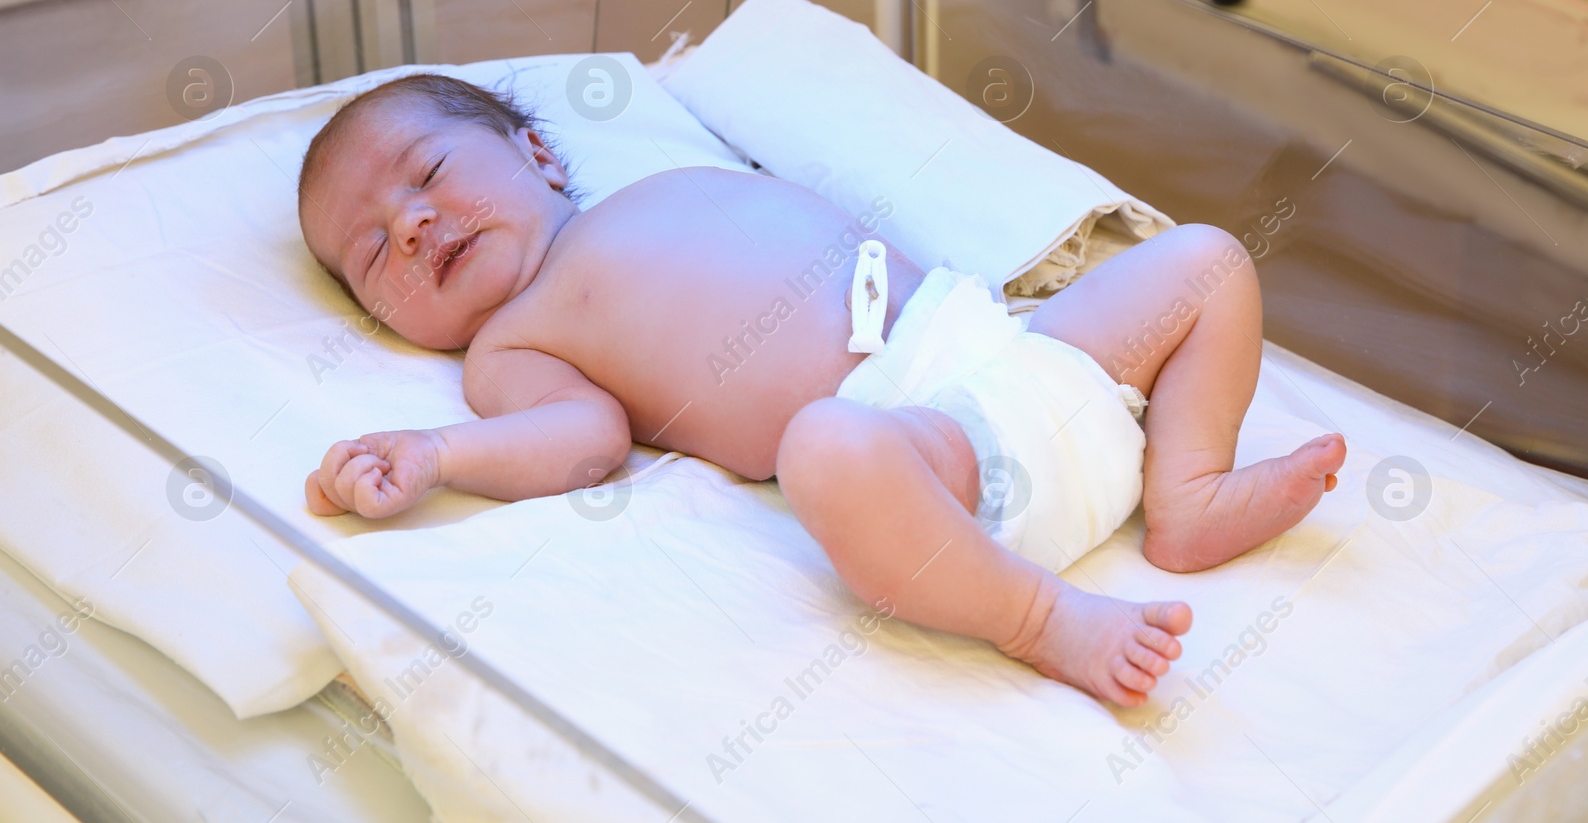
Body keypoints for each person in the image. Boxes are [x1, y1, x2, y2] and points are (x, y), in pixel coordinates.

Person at [297, 74, 1345, 706]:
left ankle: (1187, 490)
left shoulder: (654, 185)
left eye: (428, 174)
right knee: (822, 447)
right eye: (371, 250)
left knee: (1203, 256)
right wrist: (439, 454)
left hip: (1016, 348)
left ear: (535, 151)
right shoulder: (511, 343)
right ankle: (1038, 617)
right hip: (933, 456)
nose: (413, 224)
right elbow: (582, 439)